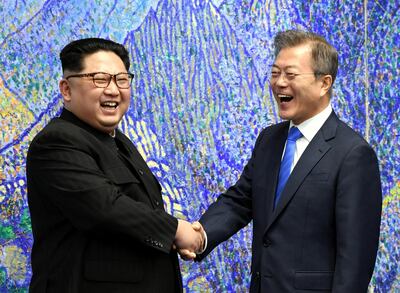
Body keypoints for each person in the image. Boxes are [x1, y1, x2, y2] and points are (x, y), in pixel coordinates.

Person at [183, 29, 382, 292]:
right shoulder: (269, 140)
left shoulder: (353, 154)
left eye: (290, 74)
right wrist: (200, 236)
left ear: (324, 83)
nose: (279, 83)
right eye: (275, 73)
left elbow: (354, 262)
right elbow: (241, 200)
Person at [26, 37, 203, 293]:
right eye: (99, 79)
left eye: (121, 80)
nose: (113, 90)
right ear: (66, 89)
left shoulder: (119, 141)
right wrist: (176, 231)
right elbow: (104, 207)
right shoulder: (56, 142)